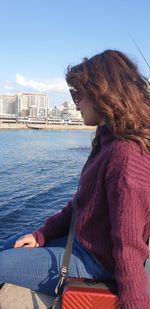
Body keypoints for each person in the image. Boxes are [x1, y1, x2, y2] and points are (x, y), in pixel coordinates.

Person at [0, 49, 150, 308]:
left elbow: (128, 248)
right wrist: (41, 234)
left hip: (93, 263)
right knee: (8, 244)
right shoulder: (107, 139)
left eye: (77, 94)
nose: (75, 103)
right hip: (78, 242)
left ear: (103, 94)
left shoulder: (126, 157)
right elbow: (78, 204)